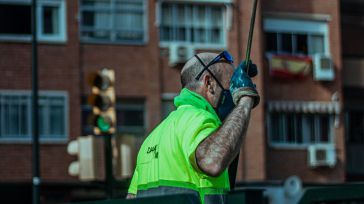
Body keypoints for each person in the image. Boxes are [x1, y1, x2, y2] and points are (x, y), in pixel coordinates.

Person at [126, 51, 260, 204]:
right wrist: (245, 100)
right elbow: (213, 162)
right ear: (209, 84)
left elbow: (131, 198)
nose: (234, 94)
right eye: (231, 86)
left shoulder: (152, 138)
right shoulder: (198, 118)